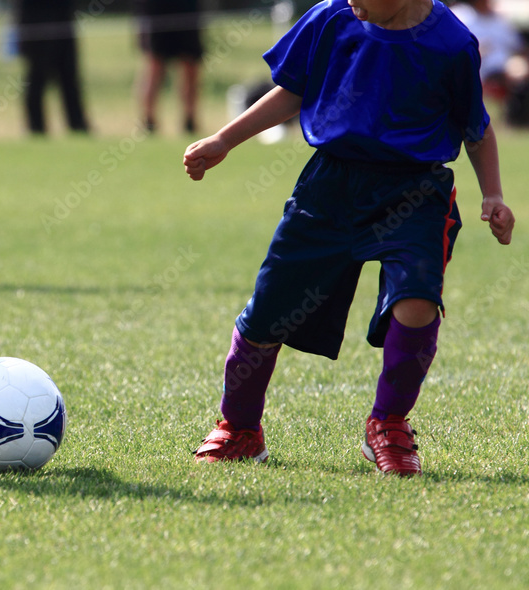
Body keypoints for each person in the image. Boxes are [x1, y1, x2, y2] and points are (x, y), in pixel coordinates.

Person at [183, 0, 515, 476]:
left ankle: (388, 425)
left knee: (417, 301)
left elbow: (476, 129)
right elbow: (289, 91)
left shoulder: (451, 42)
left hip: (415, 191)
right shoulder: (332, 19)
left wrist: (494, 195)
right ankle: (239, 429)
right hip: (329, 188)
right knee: (270, 309)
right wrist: (223, 140)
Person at [13, 0, 90, 135]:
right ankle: (36, 128)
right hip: (35, 26)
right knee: (36, 78)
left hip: (62, 23)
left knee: (69, 77)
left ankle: (77, 125)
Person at [134, 0, 204, 134]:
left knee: (190, 64)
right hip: (156, 10)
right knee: (154, 65)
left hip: (186, 9)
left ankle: (190, 121)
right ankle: (149, 121)